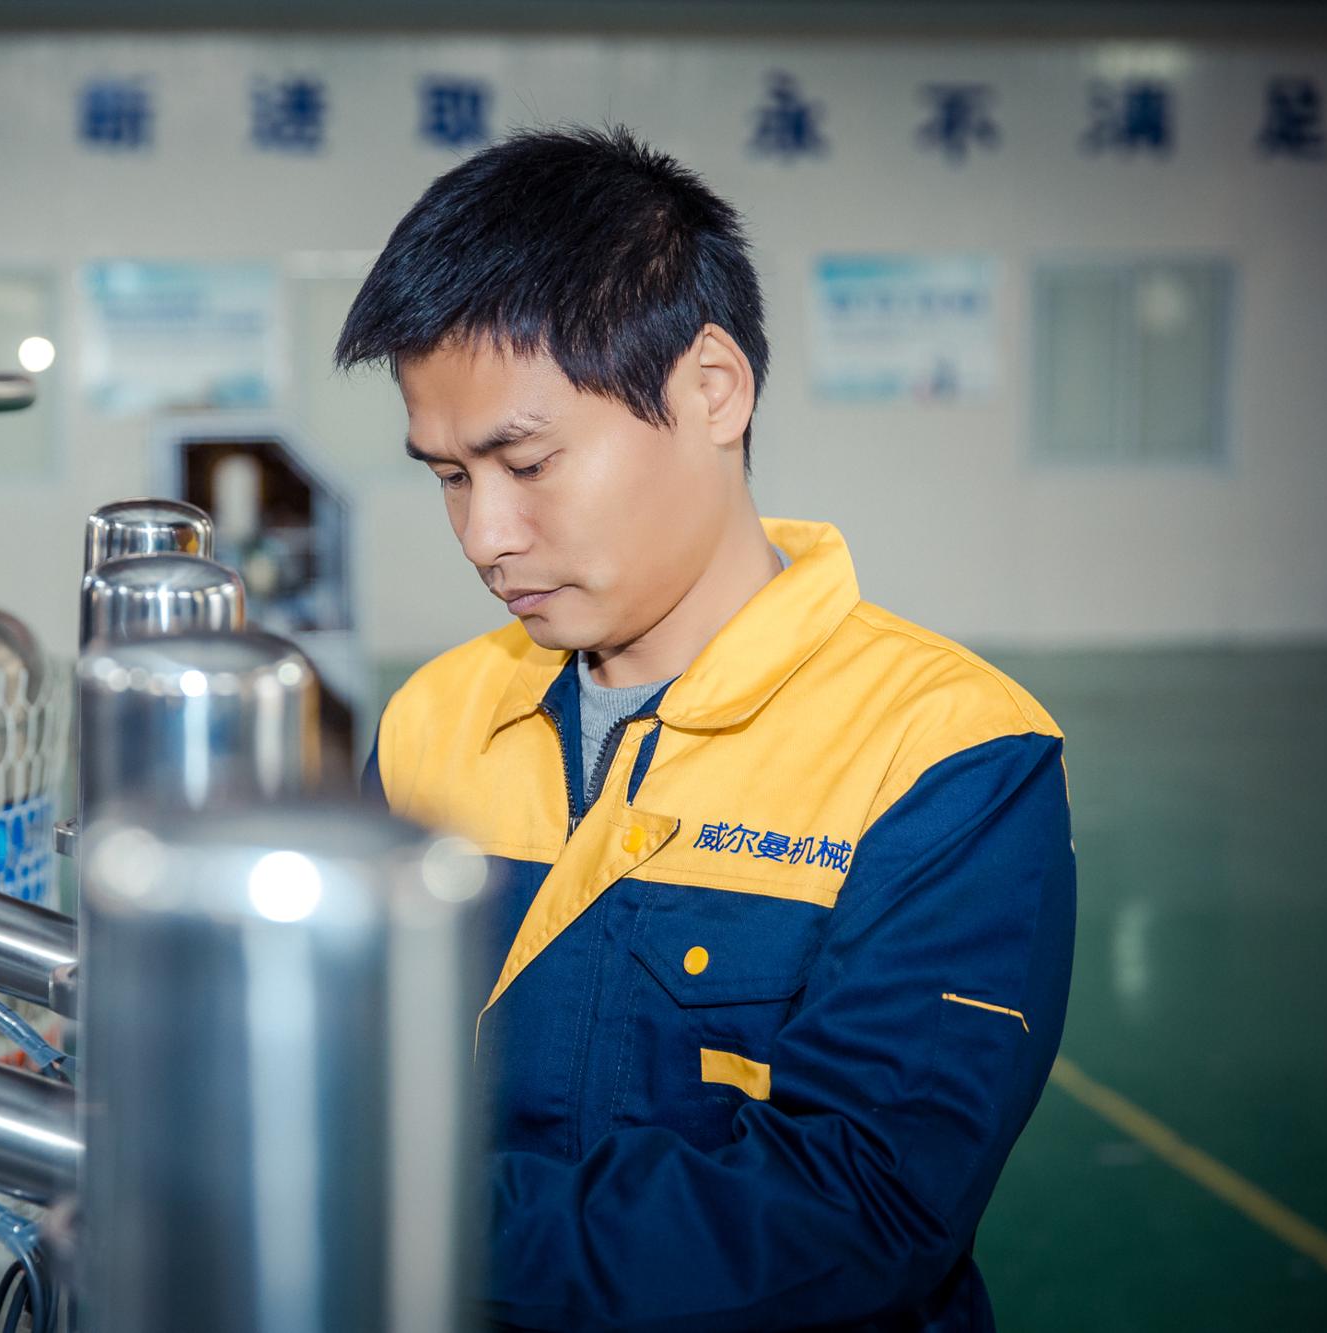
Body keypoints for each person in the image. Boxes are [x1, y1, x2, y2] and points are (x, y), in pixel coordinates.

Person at [339, 126, 1075, 1333]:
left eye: (523, 462)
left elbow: (863, 1204)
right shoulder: (436, 717)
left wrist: (380, 1215)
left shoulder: (942, 753)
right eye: (447, 476)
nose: (484, 536)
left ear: (711, 389)